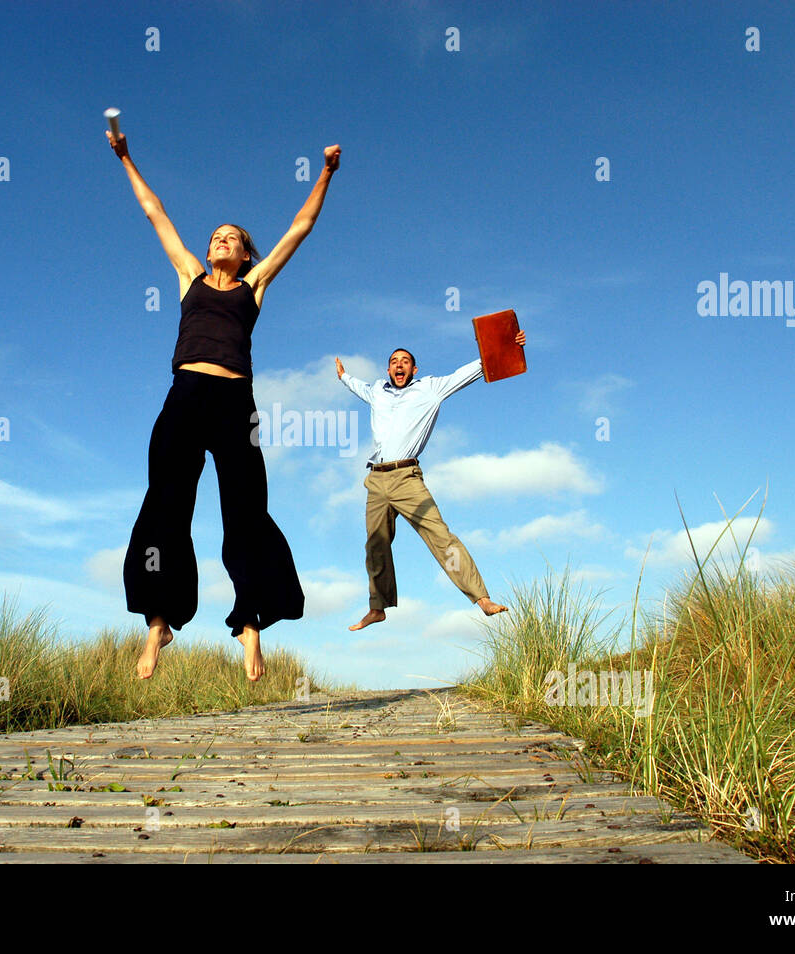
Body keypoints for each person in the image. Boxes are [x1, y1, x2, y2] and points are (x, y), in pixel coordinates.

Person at [107, 127, 341, 680]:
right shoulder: (189, 277)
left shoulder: (253, 286)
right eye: (216, 235)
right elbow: (153, 211)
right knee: (165, 502)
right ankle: (158, 621)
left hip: (236, 400)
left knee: (246, 510)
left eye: (232, 237)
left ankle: (250, 624)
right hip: (185, 395)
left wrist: (326, 171)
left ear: (245, 253)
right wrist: (126, 158)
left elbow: (300, 229)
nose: (221, 240)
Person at [335, 331, 525, 630]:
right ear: (388, 370)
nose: (399, 365)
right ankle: (378, 607)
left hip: (407, 477)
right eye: (394, 361)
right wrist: (344, 376)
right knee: (375, 545)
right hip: (376, 479)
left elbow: (469, 372)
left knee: (439, 536)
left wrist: (505, 343)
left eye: (406, 361)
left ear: (414, 369)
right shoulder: (377, 391)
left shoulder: (431, 388)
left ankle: (481, 597)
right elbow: (357, 386)